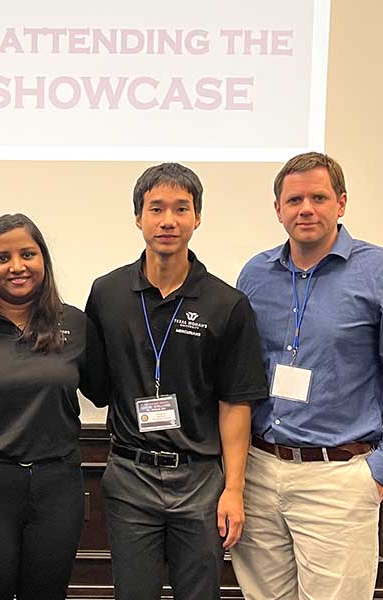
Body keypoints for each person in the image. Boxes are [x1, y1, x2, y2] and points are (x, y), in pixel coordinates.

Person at [231, 152, 383, 599]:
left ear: (341, 204)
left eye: (318, 197)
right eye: (294, 199)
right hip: (260, 472)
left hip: (338, 479)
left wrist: (381, 472)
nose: (306, 208)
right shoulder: (255, 275)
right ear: (277, 209)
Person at [85, 163, 268, 600]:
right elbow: (96, 383)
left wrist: (235, 491)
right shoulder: (107, 294)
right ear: (138, 217)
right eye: (156, 209)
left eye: (181, 209)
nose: (168, 220)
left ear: (197, 217)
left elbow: (236, 402)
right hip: (130, 474)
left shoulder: (227, 303)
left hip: (201, 480)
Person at [0, 213, 108, 600]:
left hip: (56, 486)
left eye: (28, 254)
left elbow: (101, 390)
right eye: (2, 258)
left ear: (44, 262)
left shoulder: (76, 323)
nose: (17, 266)